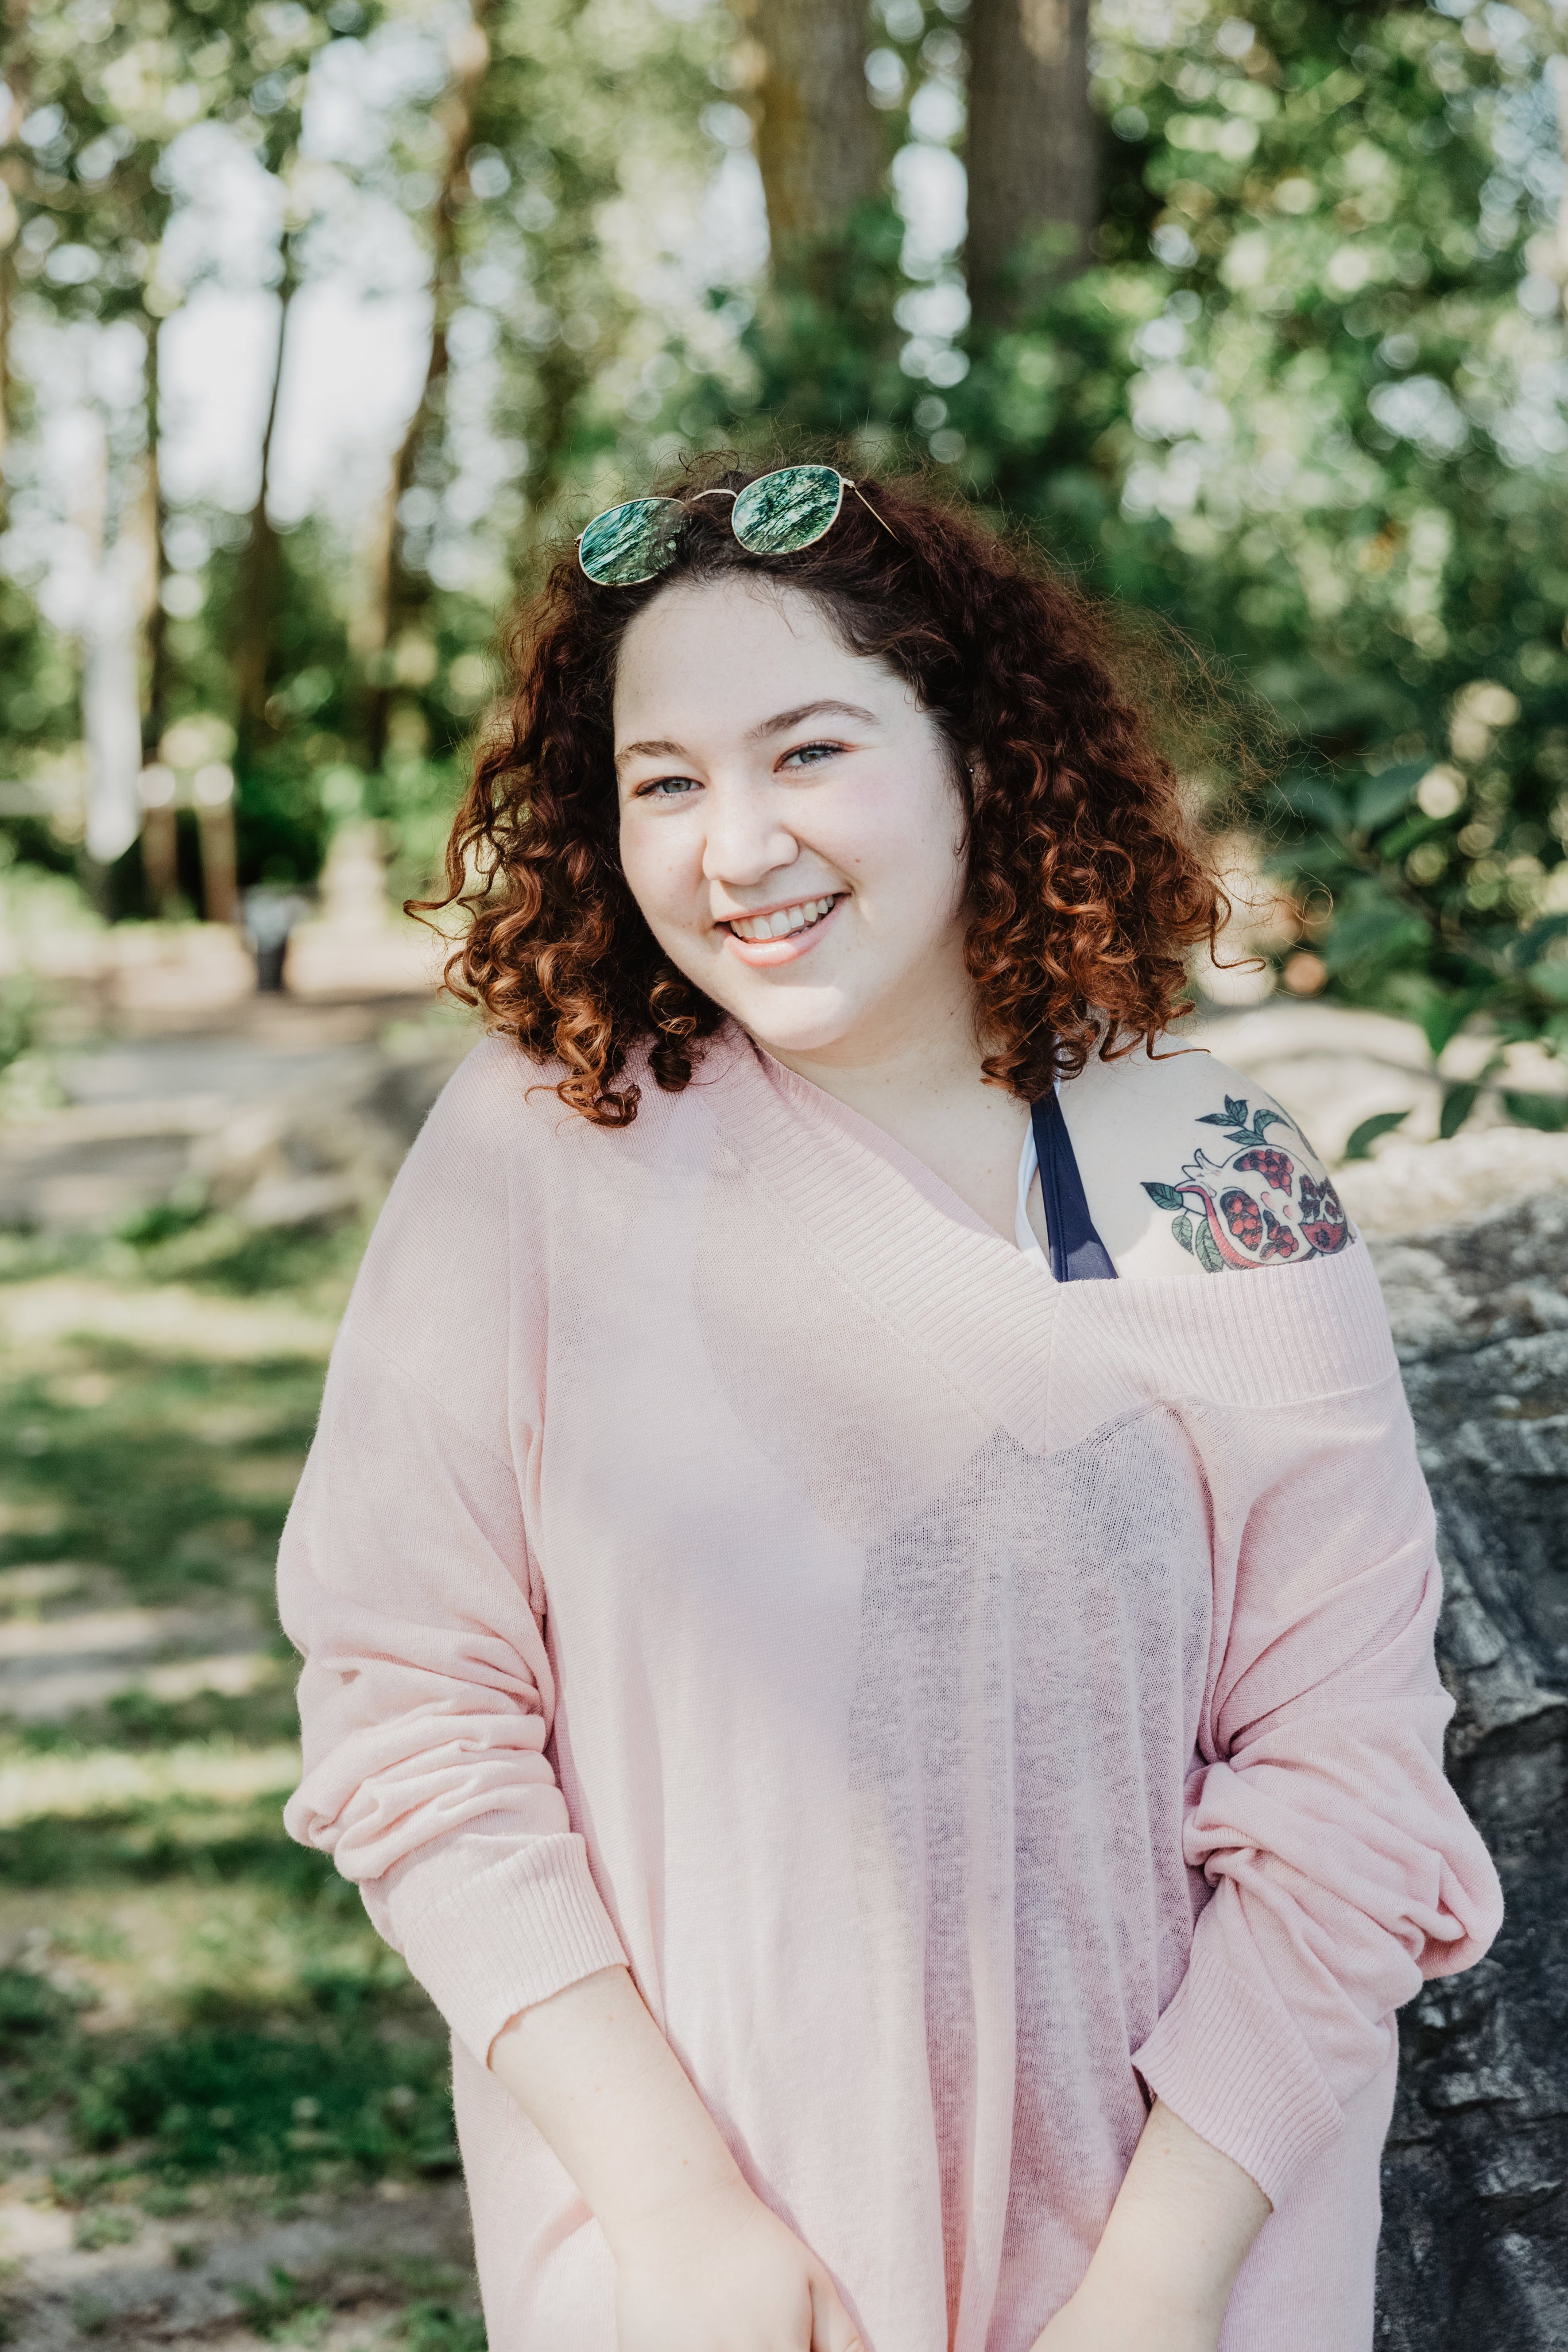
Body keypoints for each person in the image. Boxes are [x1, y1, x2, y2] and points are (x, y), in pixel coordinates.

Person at [277, 462, 1504, 2352]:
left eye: (809, 751)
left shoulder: (1213, 1170)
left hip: (1175, 2272)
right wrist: (677, 2219)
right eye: (664, 781)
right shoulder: (542, 1144)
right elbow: (410, 1710)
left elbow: (1344, 1778)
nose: (735, 845)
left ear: (977, 754)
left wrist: (1161, 2289)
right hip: (698, 2269)